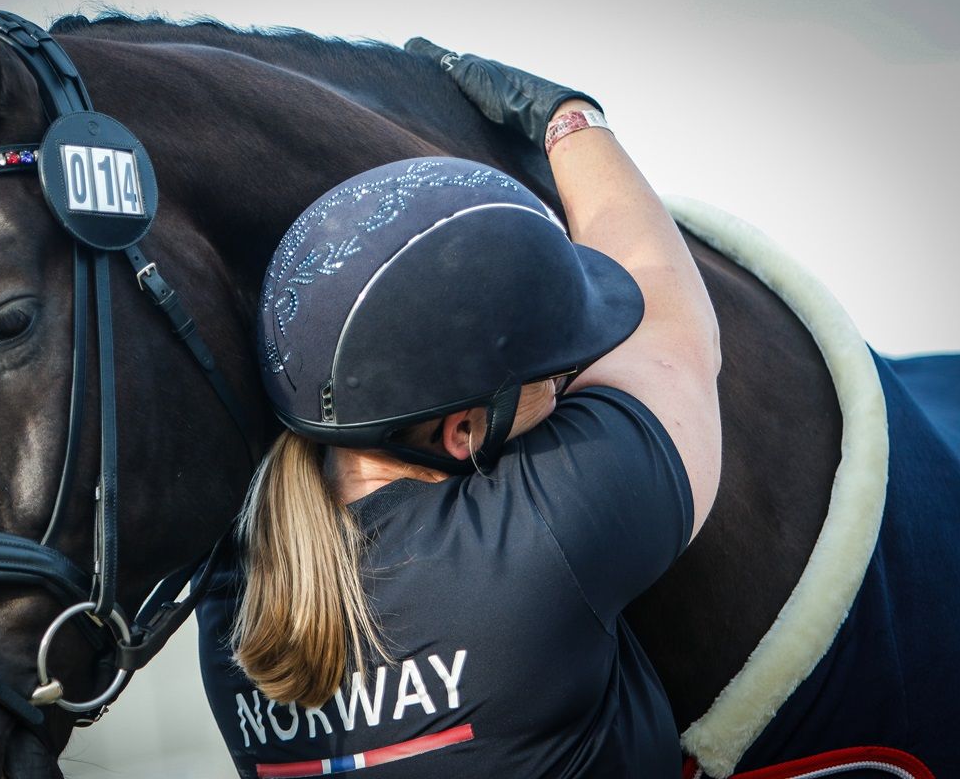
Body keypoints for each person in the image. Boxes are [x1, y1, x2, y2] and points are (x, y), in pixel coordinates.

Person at [196, 40, 721, 778]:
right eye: (553, 374)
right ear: (464, 430)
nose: (570, 381)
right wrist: (569, 121)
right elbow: (676, 332)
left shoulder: (231, 601)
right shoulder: (541, 538)